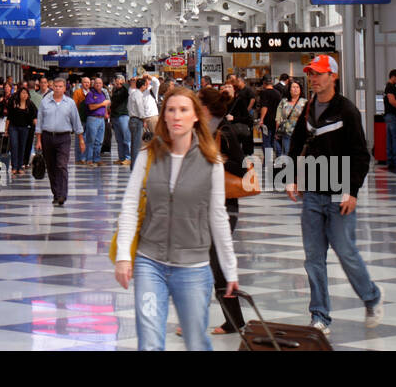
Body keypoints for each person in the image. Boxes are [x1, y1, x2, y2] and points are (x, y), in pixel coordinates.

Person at [114, 88, 238, 351]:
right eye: (171, 110)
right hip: (150, 263)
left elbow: (218, 216)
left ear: (196, 116)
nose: (177, 116)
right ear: (164, 117)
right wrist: (124, 254)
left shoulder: (211, 161)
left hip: (193, 266)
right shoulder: (149, 154)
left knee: (196, 341)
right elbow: (130, 204)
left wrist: (230, 268)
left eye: (184, 110)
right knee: (149, 343)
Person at [287, 54, 384, 335]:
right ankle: (320, 315)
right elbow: (295, 146)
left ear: (333, 76)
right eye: (311, 74)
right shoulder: (307, 110)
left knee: (345, 251)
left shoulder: (347, 111)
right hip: (313, 195)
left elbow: (360, 155)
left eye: (319, 73)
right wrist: (290, 178)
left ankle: (371, 296)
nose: (313, 79)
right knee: (313, 257)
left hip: (339, 194)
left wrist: (351, 192)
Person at [200, 86, 248, 335]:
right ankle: (199, 319)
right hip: (203, 204)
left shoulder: (224, 131)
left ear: (205, 108)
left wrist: (216, 159)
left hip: (225, 206)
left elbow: (241, 168)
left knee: (217, 264)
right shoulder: (201, 132)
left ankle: (234, 321)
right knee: (203, 264)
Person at [35, 78, 86, 207]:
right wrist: (38, 140)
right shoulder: (45, 102)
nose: (57, 88)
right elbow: (39, 122)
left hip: (64, 138)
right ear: (52, 87)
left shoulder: (70, 103)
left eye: (60, 86)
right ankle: (56, 194)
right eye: (55, 86)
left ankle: (63, 194)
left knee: (61, 165)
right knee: (51, 167)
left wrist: (81, 140)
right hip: (47, 137)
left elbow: (76, 122)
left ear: (64, 88)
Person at [8, 86, 38, 176]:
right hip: (13, 127)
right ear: (19, 94)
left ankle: (20, 166)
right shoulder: (14, 103)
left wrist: (38, 128)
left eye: (26, 93)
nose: (24, 95)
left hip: (25, 128)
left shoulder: (30, 105)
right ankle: (14, 167)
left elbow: (35, 116)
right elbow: (9, 117)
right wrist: (6, 130)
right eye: (23, 93)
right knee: (14, 146)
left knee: (22, 147)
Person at [255, 75, 283, 162]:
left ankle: (267, 161)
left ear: (264, 83)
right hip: (276, 121)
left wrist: (262, 119)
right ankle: (279, 158)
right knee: (274, 140)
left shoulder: (264, 93)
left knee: (266, 142)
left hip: (267, 121)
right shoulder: (277, 93)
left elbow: (264, 107)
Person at [127, 77, 155, 164]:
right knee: (136, 144)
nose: (146, 87)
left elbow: (128, 107)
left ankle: (133, 164)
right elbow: (140, 108)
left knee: (134, 143)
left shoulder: (133, 94)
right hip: (137, 120)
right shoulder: (138, 95)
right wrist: (144, 119)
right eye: (145, 85)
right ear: (142, 86)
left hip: (132, 119)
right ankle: (135, 165)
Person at [83, 77, 110, 166]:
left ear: (102, 85)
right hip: (93, 119)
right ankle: (89, 159)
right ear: (93, 84)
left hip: (101, 119)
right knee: (91, 140)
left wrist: (106, 113)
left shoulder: (103, 94)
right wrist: (103, 104)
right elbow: (91, 107)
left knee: (99, 141)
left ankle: (97, 159)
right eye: (96, 83)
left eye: (100, 83)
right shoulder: (90, 94)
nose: (98, 85)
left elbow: (105, 106)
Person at [275, 79, 306, 158]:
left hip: (300, 134)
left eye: (297, 87)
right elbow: (278, 117)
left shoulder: (305, 102)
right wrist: (277, 131)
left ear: (300, 89)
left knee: (299, 155)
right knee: (287, 154)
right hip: (287, 133)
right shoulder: (284, 102)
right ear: (289, 90)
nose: (295, 89)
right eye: (293, 87)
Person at [109, 74, 131, 166]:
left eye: (119, 83)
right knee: (119, 139)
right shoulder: (115, 91)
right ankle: (121, 157)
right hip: (115, 116)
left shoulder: (125, 90)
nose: (118, 85)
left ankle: (128, 158)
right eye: (116, 83)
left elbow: (128, 88)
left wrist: (124, 84)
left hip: (123, 116)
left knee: (126, 138)